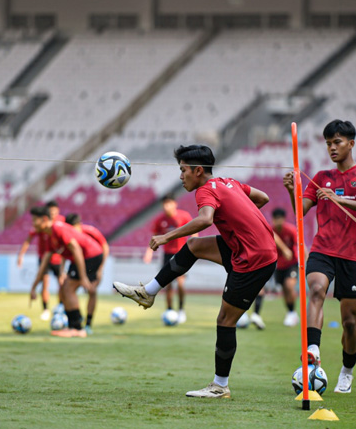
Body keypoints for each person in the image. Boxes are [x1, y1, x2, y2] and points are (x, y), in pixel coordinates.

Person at [114, 144, 277, 398]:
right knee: (194, 246)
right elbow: (263, 198)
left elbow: (205, 219)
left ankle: (220, 386)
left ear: (198, 170)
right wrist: (243, 219)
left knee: (225, 321)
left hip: (254, 257)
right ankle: (148, 292)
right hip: (248, 247)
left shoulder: (204, 190)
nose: (180, 176)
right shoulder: (228, 182)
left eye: (183, 170)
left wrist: (167, 237)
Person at [283, 119, 356, 394]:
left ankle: (347, 370)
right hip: (322, 249)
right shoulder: (320, 177)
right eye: (328, 143)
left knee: (350, 321)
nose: (332, 148)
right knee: (315, 290)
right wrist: (293, 190)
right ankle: (312, 351)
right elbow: (300, 211)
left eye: (337, 142)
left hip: (353, 254)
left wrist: (340, 199)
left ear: (351, 143)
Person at [29, 206, 103, 338]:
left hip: (91, 255)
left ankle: (77, 328)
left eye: (35, 220)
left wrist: (83, 277)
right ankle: (73, 326)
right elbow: (44, 262)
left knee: (68, 288)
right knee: (65, 289)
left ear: (45, 219)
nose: (33, 223)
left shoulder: (58, 229)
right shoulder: (49, 235)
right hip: (85, 257)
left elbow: (76, 249)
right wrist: (34, 287)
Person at [248, 208, 301, 330]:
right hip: (278, 265)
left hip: (291, 263)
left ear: (283, 219)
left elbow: (300, 244)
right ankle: (290, 312)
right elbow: (272, 239)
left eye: (280, 219)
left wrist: (306, 258)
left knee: (288, 286)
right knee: (284, 289)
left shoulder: (290, 230)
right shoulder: (270, 230)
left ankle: (292, 313)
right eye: (275, 219)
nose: (278, 221)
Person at [143, 194, 192, 324]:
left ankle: (181, 310)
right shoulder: (160, 220)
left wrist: (195, 246)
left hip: (182, 253)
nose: (166, 206)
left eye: (169, 203)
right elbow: (154, 237)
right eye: (164, 204)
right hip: (167, 255)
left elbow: (194, 232)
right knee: (168, 285)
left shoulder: (184, 216)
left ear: (174, 204)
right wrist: (149, 252)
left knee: (181, 283)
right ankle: (169, 310)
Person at [17, 200, 65, 320]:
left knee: (62, 284)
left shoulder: (60, 224)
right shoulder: (40, 226)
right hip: (44, 257)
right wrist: (21, 255)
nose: (53, 214)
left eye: (55, 212)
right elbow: (28, 239)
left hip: (58, 259)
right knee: (45, 284)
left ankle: (60, 307)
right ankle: (45, 310)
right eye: (51, 212)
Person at [65, 213, 109, 334]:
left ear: (79, 225)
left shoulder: (90, 231)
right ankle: (76, 316)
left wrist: (100, 268)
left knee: (92, 291)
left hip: (92, 261)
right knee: (68, 287)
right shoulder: (67, 234)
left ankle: (88, 324)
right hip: (77, 262)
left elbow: (105, 247)